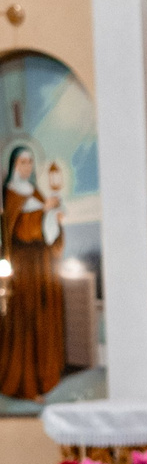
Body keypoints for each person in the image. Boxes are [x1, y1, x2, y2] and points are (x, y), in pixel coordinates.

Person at [1, 144, 66, 401]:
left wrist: (54, 218)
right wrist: (44, 212)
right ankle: (25, 384)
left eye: (30, 162)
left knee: (43, 316)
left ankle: (44, 378)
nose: (27, 167)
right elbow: (19, 230)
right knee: (26, 321)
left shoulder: (34, 191)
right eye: (22, 163)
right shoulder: (10, 194)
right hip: (24, 267)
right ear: (14, 166)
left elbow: (46, 228)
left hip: (42, 265)